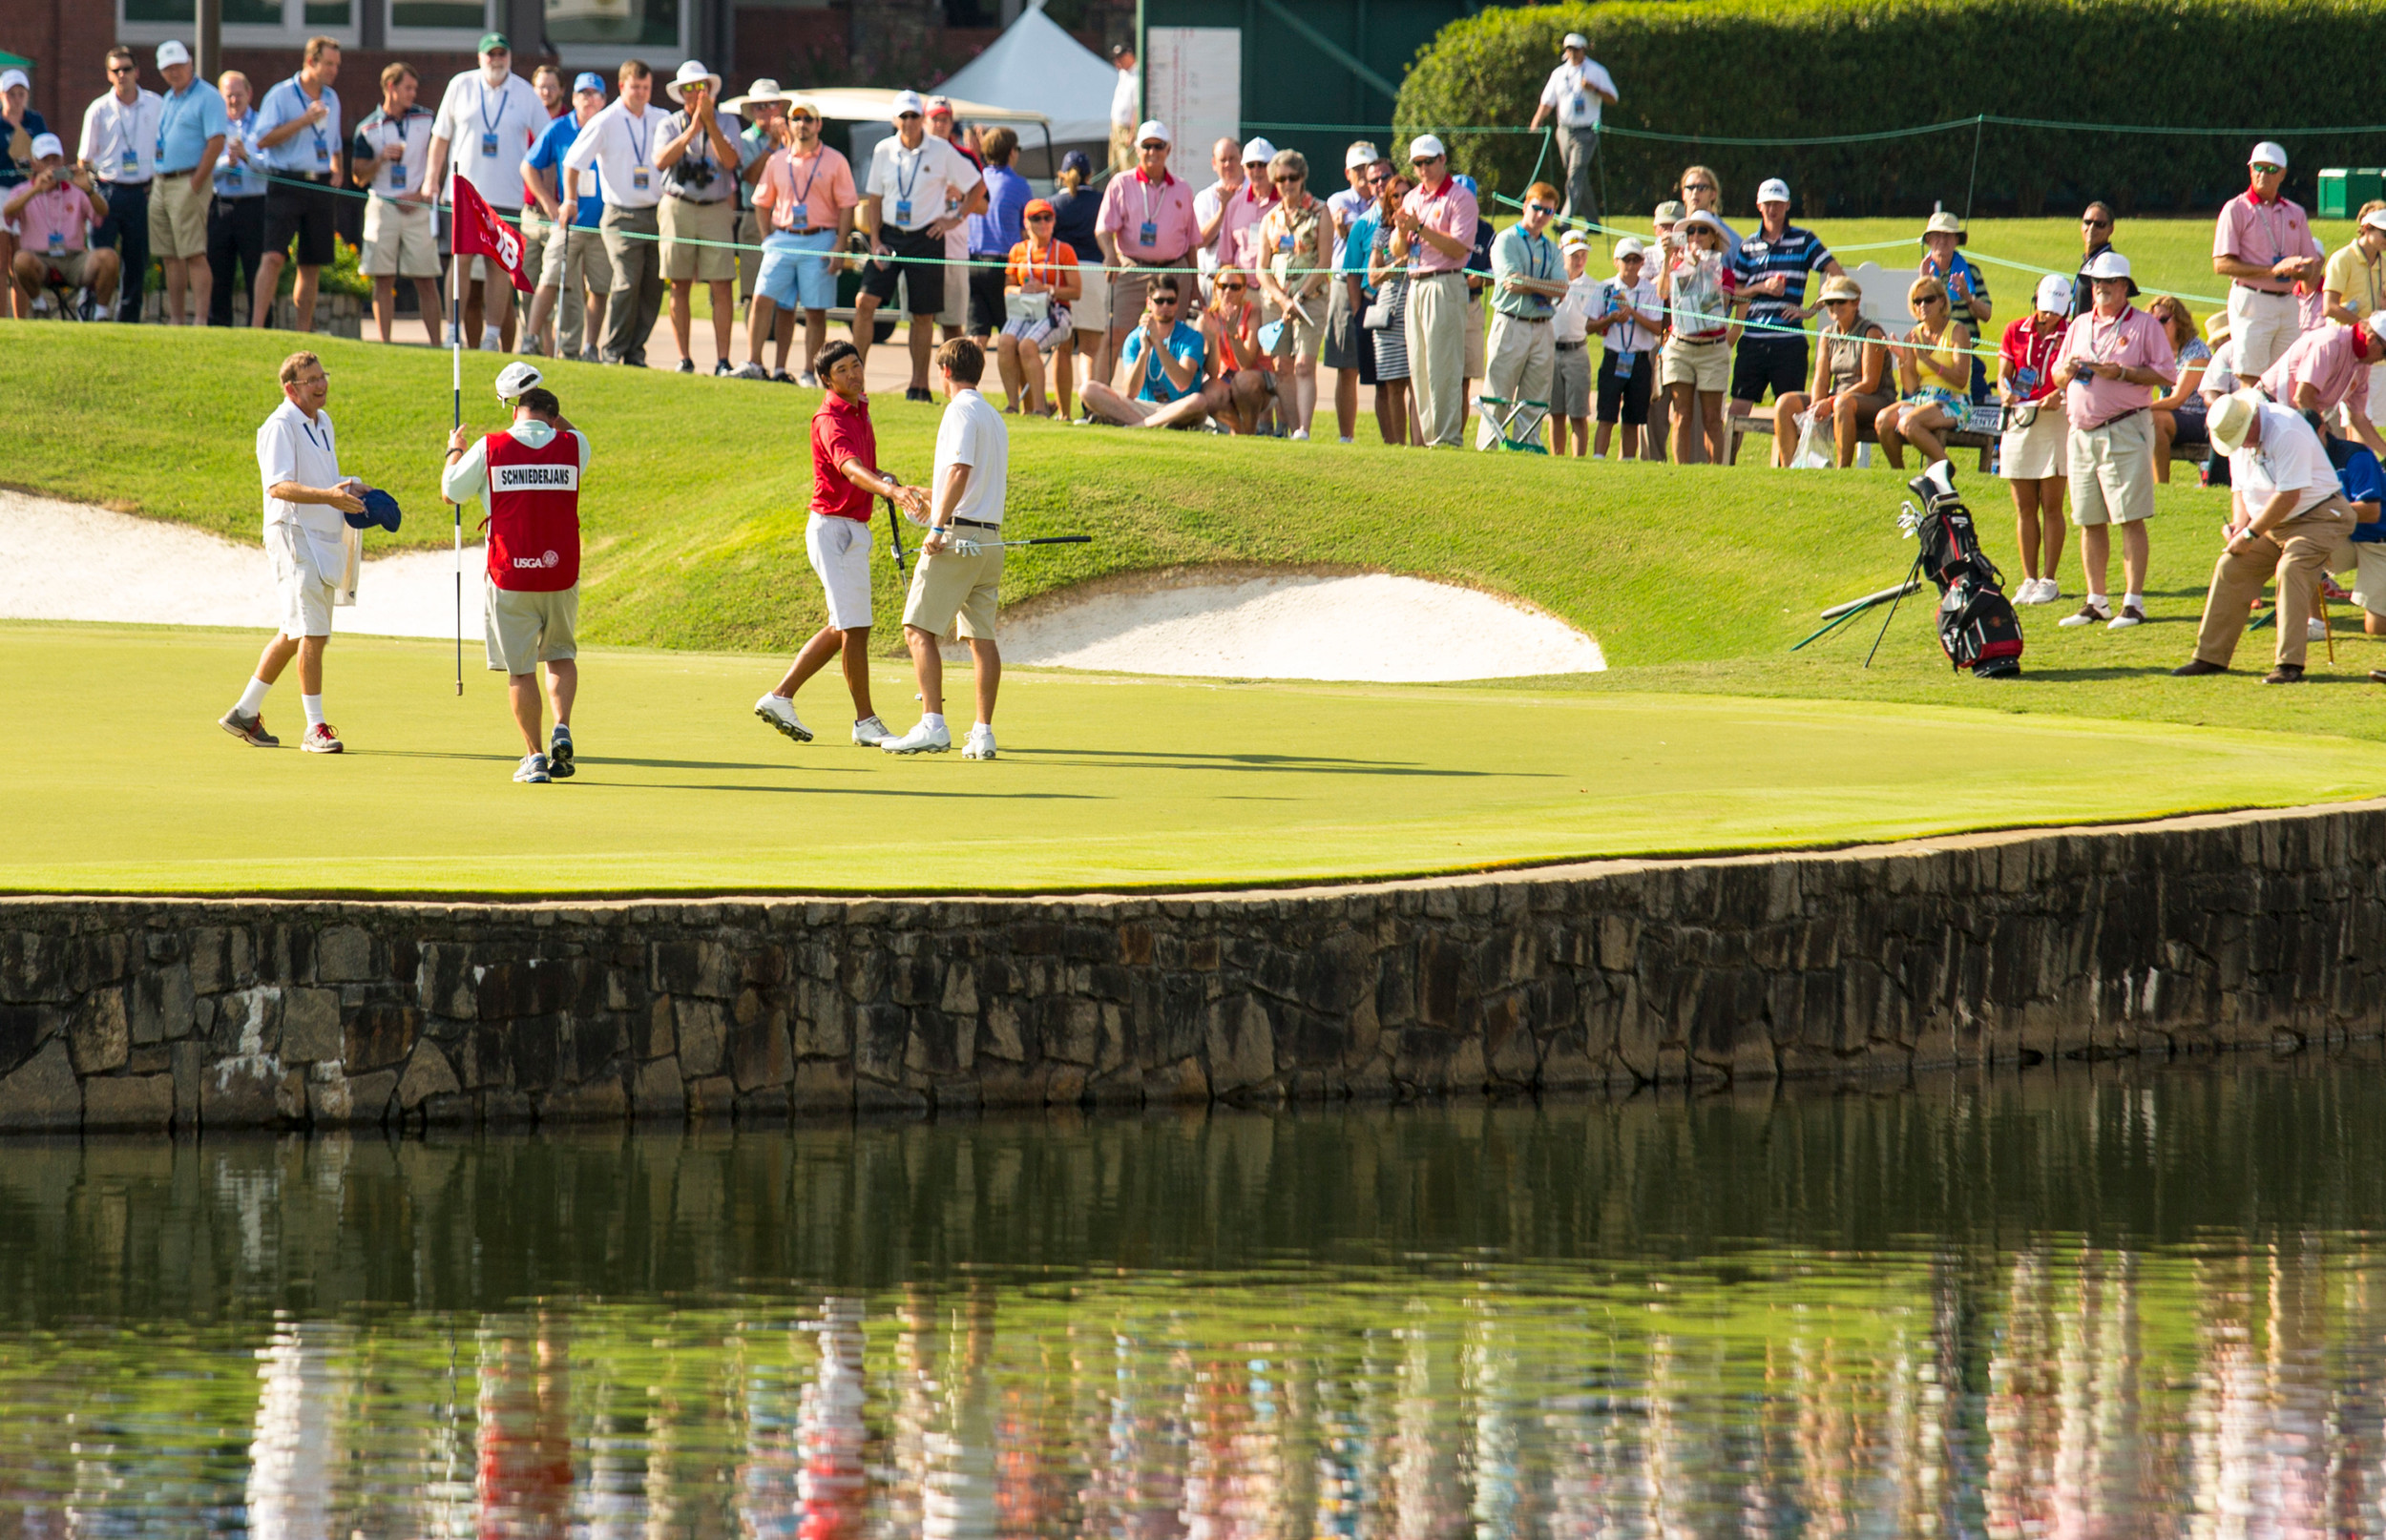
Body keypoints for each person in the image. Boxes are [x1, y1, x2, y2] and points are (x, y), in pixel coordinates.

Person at [755, 338, 923, 751]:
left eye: (856, 365)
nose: (853, 374)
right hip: (832, 529)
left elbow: (861, 466)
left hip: (851, 530)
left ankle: (780, 697)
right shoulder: (829, 417)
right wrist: (888, 490)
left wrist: (887, 478)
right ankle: (864, 721)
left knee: (845, 625)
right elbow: (849, 469)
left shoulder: (860, 409)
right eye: (843, 370)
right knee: (854, 627)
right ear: (826, 380)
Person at [440, 384, 590, 781]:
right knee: (560, 655)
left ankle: (535, 756)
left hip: (511, 574)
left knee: (521, 671)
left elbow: (450, 491)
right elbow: (570, 432)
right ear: (555, 419)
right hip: (560, 573)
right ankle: (563, 727)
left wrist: (455, 447)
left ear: (514, 413)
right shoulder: (574, 446)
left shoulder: (491, 447)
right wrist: (549, 407)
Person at [220, 351, 365, 754]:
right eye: (311, 380)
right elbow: (278, 486)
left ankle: (244, 713)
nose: (321, 385)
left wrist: (349, 486)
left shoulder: (324, 422)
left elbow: (321, 479)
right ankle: (315, 728)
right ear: (291, 388)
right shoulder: (279, 425)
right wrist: (330, 497)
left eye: (323, 376)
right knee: (313, 634)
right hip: (292, 534)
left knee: (293, 630)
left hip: (321, 537)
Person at [2172, 390, 2356, 684]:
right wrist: (2238, 527)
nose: (2242, 444)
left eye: (2243, 436)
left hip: (2320, 516)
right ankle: (2210, 657)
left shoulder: (2287, 429)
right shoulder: (2235, 435)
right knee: (2230, 566)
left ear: (2252, 418)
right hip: (2272, 524)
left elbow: (2288, 495)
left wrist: (2249, 534)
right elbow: (2241, 492)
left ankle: (2289, 665)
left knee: (2291, 567)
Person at [884, 338, 1011, 760]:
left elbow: (960, 470)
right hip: (989, 540)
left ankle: (932, 725)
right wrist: (928, 495)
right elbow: (967, 481)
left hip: (957, 540)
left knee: (917, 629)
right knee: (981, 639)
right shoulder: (992, 416)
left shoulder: (958, 410)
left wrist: (937, 527)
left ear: (945, 372)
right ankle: (983, 733)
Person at [2054, 251, 2175, 631]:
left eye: (2109, 282)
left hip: (2124, 427)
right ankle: (2096, 600)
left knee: (2129, 516)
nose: (2101, 289)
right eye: (2096, 283)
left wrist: (2120, 372)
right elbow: (2057, 375)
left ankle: (2134, 602)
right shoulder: (2079, 325)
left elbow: (2165, 375)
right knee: (2089, 519)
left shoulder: (2144, 325)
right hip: (2081, 432)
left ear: (2125, 287)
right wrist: (2067, 372)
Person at [854, 91, 983, 402]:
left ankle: (919, 386)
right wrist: (875, 240)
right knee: (864, 302)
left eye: (914, 116)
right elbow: (874, 197)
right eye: (904, 116)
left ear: (921, 119)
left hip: (927, 237)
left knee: (923, 315)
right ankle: (853, 381)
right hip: (889, 236)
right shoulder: (884, 149)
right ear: (894, 120)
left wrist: (955, 219)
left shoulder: (941, 150)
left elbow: (977, 185)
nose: (909, 122)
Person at [423, 33, 540, 351]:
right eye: (491, 55)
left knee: (499, 266)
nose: (496, 60)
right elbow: (440, 137)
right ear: (480, 57)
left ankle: (491, 336)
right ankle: (451, 332)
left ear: (510, 57)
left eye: (502, 54)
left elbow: (545, 140)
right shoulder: (461, 85)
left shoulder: (525, 92)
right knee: (459, 261)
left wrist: (547, 191)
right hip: (462, 193)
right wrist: (432, 178)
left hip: (507, 195)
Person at [561, 60, 671, 367]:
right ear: (622, 86)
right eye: (635, 87)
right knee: (626, 282)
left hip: (657, 213)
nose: (640, 93)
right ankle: (612, 351)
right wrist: (569, 200)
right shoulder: (606, 119)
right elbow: (572, 163)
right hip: (621, 214)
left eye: (646, 88)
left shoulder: (661, 118)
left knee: (652, 285)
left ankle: (635, 352)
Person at [741, 92, 855, 385]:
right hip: (782, 238)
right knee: (764, 300)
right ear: (789, 124)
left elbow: (847, 205)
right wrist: (767, 238)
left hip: (820, 238)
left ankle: (809, 371)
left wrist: (840, 246)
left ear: (818, 125)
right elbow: (762, 201)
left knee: (815, 311)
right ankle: (758, 363)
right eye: (797, 119)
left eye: (808, 119)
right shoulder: (778, 159)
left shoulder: (835, 160)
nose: (802, 124)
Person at [1728, 177, 1841, 461]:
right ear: (1758, 206)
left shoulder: (1804, 240)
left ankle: (1787, 470)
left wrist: (1811, 310)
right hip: (1753, 341)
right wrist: (1760, 288)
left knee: (1790, 412)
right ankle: (1722, 468)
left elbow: (1837, 276)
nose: (1772, 209)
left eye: (1778, 204)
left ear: (1788, 205)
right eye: (1767, 203)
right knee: (1736, 411)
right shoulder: (1748, 246)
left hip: (1789, 341)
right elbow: (1734, 293)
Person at [642, 60, 740, 374]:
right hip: (678, 205)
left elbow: (730, 161)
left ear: (710, 90)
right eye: (688, 88)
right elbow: (660, 161)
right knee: (679, 283)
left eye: (700, 86)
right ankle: (684, 358)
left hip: (715, 207)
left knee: (722, 284)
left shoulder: (727, 122)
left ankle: (723, 360)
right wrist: (692, 131)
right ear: (680, 93)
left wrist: (710, 124)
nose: (695, 93)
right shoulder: (669, 124)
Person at [1097, 120, 1203, 404]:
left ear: (1168, 149)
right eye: (1146, 146)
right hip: (1132, 268)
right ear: (1137, 149)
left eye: (1158, 146)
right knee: (1114, 336)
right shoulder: (1121, 182)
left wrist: (1194, 285)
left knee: (1171, 340)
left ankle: (1169, 406)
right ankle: (1097, 405)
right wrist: (1109, 253)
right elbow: (1103, 229)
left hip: (1174, 270)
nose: (1152, 152)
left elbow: (1192, 240)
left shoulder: (1182, 188)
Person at [249, 36, 343, 334]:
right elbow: (262, 140)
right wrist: (303, 120)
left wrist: (338, 169)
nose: (333, 70)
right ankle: (256, 327)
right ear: (310, 61)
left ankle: (304, 331)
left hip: (319, 184)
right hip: (286, 181)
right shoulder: (281, 95)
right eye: (328, 64)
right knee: (274, 256)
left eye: (336, 65)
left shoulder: (333, 98)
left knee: (312, 262)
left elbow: (335, 143)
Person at [1391, 135, 1476, 448]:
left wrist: (1420, 229)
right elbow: (1398, 248)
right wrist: (1402, 232)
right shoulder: (1411, 198)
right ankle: (1429, 439)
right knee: (1420, 365)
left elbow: (1458, 247)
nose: (1423, 168)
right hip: (1415, 282)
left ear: (1442, 160)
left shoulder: (1460, 198)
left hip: (1446, 281)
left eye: (1429, 161)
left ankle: (1447, 439)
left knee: (1444, 365)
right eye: (1418, 163)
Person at [2214, 141, 2323, 380]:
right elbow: (2221, 264)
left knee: (2285, 378)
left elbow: (2312, 265)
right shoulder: (2236, 209)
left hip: (2288, 301)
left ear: (2283, 174)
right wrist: (2272, 270)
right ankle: (2252, 418)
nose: (2264, 174)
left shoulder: (2295, 212)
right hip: (2252, 299)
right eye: (2258, 167)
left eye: (2271, 169)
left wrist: (2301, 270)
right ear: (2250, 170)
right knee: (2250, 377)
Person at [350, 62, 441, 346]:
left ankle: (437, 345)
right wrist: (380, 160)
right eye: (408, 88)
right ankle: (385, 344)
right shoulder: (367, 127)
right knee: (383, 278)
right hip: (383, 204)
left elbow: (440, 158)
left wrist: (423, 194)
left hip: (418, 204)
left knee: (426, 278)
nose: (413, 93)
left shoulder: (427, 119)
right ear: (391, 87)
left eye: (415, 88)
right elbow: (358, 177)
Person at [522, 73, 611, 364]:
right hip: (569, 222)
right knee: (549, 278)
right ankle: (530, 339)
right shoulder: (559, 128)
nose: (589, 99)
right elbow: (529, 166)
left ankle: (590, 348)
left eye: (594, 94)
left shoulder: (611, 126)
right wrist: (549, 202)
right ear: (573, 99)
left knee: (599, 287)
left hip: (603, 223)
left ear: (604, 99)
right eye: (583, 94)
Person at [1998, 274, 2074, 605]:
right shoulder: (2015, 329)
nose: (2049, 316)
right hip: (2020, 417)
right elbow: (2004, 371)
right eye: (2045, 309)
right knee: (2024, 506)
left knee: (2051, 505)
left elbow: (2079, 375)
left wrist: (2059, 392)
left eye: (2056, 310)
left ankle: (2049, 579)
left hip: (2056, 418)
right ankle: (2028, 578)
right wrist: (2003, 389)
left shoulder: (2071, 332)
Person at [1476, 180, 1566, 450]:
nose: (1541, 216)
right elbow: (1511, 283)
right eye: (1537, 208)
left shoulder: (1552, 249)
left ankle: (1528, 447)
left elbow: (1562, 288)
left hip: (1542, 325)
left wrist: (1530, 283)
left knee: (1536, 396)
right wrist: (1543, 287)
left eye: (1548, 212)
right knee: (1498, 393)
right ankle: (1489, 447)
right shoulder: (1506, 239)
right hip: (1510, 322)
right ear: (1526, 206)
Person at [78, 45, 161, 324]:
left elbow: (166, 147)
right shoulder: (99, 109)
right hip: (107, 190)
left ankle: (128, 319)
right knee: (100, 257)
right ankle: (88, 313)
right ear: (108, 75)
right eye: (116, 70)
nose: (122, 74)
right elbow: (84, 159)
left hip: (142, 191)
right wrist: (92, 192)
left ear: (137, 72)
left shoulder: (155, 104)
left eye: (127, 69)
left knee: (136, 261)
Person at [1773, 272, 1888, 469]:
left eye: (1840, 301)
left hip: (1873, 399)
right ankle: (1790, 468)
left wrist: (1831, 401)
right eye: (1829, 303)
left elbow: (1870, 384)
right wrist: (1817, 406)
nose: (1834, 307)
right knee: (1785, 402)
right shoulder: (1827, 334)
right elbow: (1821, 377)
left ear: (1855, 303)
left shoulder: (1872, 332)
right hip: (1837, 398)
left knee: (1842, 403)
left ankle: (1841, 470)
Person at [147, 42, 226, 327]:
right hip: (163, 180)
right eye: (168, 68)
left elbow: (217, 141)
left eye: (178, 65)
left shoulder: (208, 96)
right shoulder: (169, 98)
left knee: (193, 252)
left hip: (189, 179)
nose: (174, 72)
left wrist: (196, 183)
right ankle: (177, 319)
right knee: (169, 255)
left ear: (190, 63)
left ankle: (201, 320)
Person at [1256, 148, 1331, 439]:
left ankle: (1304, 429)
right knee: (1282, 366)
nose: (1287, 183)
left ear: (1303, 178)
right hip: (1277, 300)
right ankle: (1291, 428)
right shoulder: (1270, 218)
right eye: (1282, 178)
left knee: (1303, 364)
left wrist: (1298, 298)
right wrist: (1282, 299)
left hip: (1310, 298)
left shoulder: (1320, 211)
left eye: (1293, 177)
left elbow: (1324, 262)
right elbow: (1261, 268)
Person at [1081, 274, 1216, 427]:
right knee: (1088, 389)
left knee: (1198, 401)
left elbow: (1182, 383)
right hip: (1141, 407)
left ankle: (1135, 425)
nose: (1165, 306)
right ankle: (1147, 424)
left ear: (1177, 304)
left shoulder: (1191, 337)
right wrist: (1144, 351)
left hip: (1178, 409)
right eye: (1159, 301)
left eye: (1170, 301)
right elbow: (1130, 392)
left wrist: (1158, 343)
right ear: (1149, 303)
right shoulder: (1135, 338)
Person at [5, 134, 117, 316]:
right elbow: (8, 213)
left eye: (55, 159)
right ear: (34, 164)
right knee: (21, 260)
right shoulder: (23, 191)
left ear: (63, 160)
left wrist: (88, 189)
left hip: (74, 259)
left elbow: (102, 213)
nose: (51, 165)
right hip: (39, 260)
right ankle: (40, 305)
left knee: (108, 257)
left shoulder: (77, 190)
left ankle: (101, 315)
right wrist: (35, 190)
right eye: (45, 160)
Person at [1659, 209, 1737, 465]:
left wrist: (1700, 266)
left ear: (1713, 237)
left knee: (1713, 418)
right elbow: (1662, 293)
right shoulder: (1677, 266)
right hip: (1680, 346)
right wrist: (1668, 260)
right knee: (1681, 415)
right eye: (1690, 231)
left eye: (1702, 230)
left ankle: (1717, 475)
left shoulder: (1724, 273)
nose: (1695, 235)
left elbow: (1718, 304)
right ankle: (1680, 475)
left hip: (1712, 349)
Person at [2260, 312, 2386, 461]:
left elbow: (2358, 417)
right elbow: (2303, 397)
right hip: (2269, 411)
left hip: (2297, 416)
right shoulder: (2331, 343)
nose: (2382, 359)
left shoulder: (2363, 365)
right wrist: (2324, 438)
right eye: (2385, 353)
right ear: (2371, 340)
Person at [1317, 141, 1379, 443]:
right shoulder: (1338, 199)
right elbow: (1345, 230)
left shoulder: (1387, 199)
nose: (1365, 175)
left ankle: (1394, 439)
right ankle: (1346, 437)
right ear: (1348, 173)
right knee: (1346, 365)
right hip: (1345, 284)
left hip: (1383, 284)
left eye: (1369, 168)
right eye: (1358, 169)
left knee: (1391, 367)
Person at [994, 198, 1079, 416]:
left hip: (1056, 311)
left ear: (1053, 221)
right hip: (1025, 310)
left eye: (1047, 217)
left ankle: (1040, 409)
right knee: (1004, 342)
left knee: (1027, 346)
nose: (1043, 222)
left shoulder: (1064, 250)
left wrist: (1046, 288)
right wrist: (1021, 290)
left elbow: (1075, 292)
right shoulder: (1018, 251)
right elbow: (1008, 288)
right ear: (1026, 223)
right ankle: (1013, 405)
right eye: (1036, 218)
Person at [1875, 277, 1971, 470]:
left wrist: (1927, 360)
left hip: (1953, 399)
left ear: (1942, 301)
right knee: (1883, 419)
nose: (1922, 305)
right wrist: (1902, 359)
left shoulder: (1958, 331)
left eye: (1929, 299)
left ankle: (1947, 469)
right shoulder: (1913, 335)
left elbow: (1961, 380)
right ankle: (1898, 473)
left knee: (1908, 424)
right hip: (1924, 398)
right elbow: (1911, 387)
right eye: (1917, 301)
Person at [1528, 32, 1616, 225]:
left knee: (1575, 174)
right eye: (1569, 49)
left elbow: (1613, 98)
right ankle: (1593, 222)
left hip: (1587, 131)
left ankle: (1564, 221)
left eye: (1576, 49)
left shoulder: (1596, 71)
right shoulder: (1559, 73)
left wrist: (1594, 89)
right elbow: (1547, 101)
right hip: (1564, 131)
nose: (1573, 53)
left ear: (1584, 50)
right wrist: (1537, 120)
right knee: (1577, 176)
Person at [1588, 236, 1663, 460]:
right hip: (1613, 357)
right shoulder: (1605, 288)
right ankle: (1599, 459)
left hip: (1640, 359)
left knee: (1633, 417)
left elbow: (1657, 327)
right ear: (1616, 261)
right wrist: (1610, 319)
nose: (1631, 265)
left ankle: (1628, 461)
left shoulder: (1650, 290)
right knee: (1606, 415)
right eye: (1626, 259)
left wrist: (1633, 313)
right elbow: (1589, 326)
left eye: (1635, 259)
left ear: (1642, 262)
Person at [723, 78, 788, 334]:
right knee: (753, 287)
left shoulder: (794, 137)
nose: (767, 111)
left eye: (772, 104)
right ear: (753, 111)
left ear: (779, 108)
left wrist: (787, 139)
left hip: (787, 219)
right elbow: (750, 177)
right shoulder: (745, 139)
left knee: (784, 289)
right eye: (760, 106)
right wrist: (772, 145)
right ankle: (754, 348)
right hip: (754, 219)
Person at [1359, 169, 1417, 447]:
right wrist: (1398, 264)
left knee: (1418, 382)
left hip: (1418, 303)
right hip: (1390, 310)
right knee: (1393, 382)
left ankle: (1421, 445)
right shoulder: (1382, 234)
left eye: (1406, 193)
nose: (1401, 199)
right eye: (1395, 195)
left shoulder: (1425, 228)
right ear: (1388, 201)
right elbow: (1372, 276)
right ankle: (1398, 446)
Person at [1048, 151, 1106, 417]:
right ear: (1090, 175)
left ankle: (1064, 412)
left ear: (1063, 174)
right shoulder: (1100, 200)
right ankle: (1089, 409)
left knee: (1062, 346)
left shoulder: (1052, 205)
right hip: (1095, 272)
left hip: (1063, 274)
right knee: (1090, 349)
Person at [204, 72, 264, 327]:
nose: (233, 100)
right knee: (218, 273)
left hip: (254, 206)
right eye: (228, 95)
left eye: (238, 95)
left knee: (256, 271)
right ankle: (219, 327)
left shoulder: (263, 124)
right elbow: (204, 168)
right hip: (221, 205)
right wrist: (225, 163)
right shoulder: (214, 127)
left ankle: (260, 326)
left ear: (249, 94)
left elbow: (272, 167)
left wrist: (247, 156)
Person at [1916, 209, 1992, 400]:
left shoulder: (1972, 272)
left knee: (1981, 399)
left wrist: (1968, 297)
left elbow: (1987, 314)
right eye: (1937, 236)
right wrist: (1924, 281)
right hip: (1931, 350)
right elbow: (1918, 316)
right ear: (1929, 240)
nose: (1942, 240)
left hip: (1964, 352)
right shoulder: (1924, 270)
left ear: (1957, 240)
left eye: (1948, 236)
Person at [2324, 202, 2386, 432]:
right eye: (2384, 233)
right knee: (2356, 418)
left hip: (2378, 351)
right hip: (2351, 350)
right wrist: (2365, 326)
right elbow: (2329, 307)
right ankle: (2358, 468)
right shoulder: (2343, 259)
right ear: (2367, 228)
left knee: (2371, 420)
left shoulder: (2383, 261)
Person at [965, 126, 1030, 340]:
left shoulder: (975, 180)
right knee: (1011, 336)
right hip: (1004, 267)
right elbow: (1026, 231)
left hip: (972, 263)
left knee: (977, 334)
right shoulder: (1019, 185)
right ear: (1012, 151)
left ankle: (968, 374)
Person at [1203, 264, 1276, 435]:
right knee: (1211, 392)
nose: (1228, 291)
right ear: (1215, 288)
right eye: (1223, 286)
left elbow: (1245, 363)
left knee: (1243, 382)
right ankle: (1237, 431)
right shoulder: (1207, 319)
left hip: (1255, 380)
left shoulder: (1253, 313)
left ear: (1244, 290)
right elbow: (1212, 373)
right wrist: (1214, 337)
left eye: (1234, 287)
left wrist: (1232, 332)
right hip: (1224, 378)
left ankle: (1249, 433)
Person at [0, 68, 50, 318]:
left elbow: (47, 153)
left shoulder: (35, 121)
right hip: (0, 191)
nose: (16, 99)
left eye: (21, 94)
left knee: (19, 260)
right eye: (11, 94)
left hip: (27, 191)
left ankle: (22, 321)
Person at [2148, 295, 2213, 482]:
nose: (2157, 326)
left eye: (2163, 320)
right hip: (2175, 416)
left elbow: (2178, 399)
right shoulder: (2156, 350)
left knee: (2155, 419)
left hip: (2200, 416)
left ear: (2180, 321)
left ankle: (2161, 485)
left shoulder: (2196, 352)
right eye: (2152, 322)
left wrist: (2135, 408)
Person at [1549, 230, 1596, 456]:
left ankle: (1579, 460)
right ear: (1562, 254)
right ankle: (1557, 458)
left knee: (1578, 413)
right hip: (1551, 350)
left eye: (1583, 256)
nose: (1579, 261)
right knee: (1556, 411)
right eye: (1574, 255)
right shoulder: (1550, 281)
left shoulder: (1593, 287)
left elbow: (1595, 323)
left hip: (1577, 351)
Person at [1191, 135, 1245, 292]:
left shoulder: (1255, 195)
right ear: (1214, 164)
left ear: (1241, 160)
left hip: (1243, 285)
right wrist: (1223, 211)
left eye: (1232, 158)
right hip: (1210, 282)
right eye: (1223, 160)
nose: (1228, 164)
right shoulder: (1204, 198)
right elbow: (1199, 241)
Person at [2071, 202, 2114, 322]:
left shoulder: (2108, 262)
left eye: (2100, 224)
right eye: (2087, 222)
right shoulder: (2090, 259)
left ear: (2111, 229)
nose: (2092, 228)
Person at [1107, 44, 1138, 174]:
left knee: (1126, 167)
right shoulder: (1123, 73)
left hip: (1126, 129)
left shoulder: (1137, 77)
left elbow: (1137, 106)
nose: (1117, 62)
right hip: (1116, 126)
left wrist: (1132, 132)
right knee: (1114, 166)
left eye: (1120, 58)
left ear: (1129, 55)